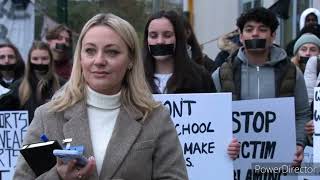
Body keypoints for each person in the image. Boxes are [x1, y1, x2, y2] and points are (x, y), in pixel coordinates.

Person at [13, 13, 188, 180]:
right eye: (90, 51)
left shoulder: (156, 117)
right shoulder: (47, 116)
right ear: (80, 58)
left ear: (131, 60)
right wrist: (58, 177)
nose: (99, 60)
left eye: (112, 52)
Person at [212, 7, 310, 166]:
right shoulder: (222, 74)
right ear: (241, 36)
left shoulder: (291, 72)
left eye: (262, 29)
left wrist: (299, 143)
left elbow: (302, 114)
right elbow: (212, 118)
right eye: (249, 29)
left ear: (272, 36)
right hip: (235, 165)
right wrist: (221, 144)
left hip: (278, 166)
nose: (255, 34)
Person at [143, 10, 239, 159]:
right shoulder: (134, 79)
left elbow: (214, 126)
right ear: (146, 39)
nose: (160, 41)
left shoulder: (200, 77)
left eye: (167, 35)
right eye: (153, 36)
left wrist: (227, 146)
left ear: (179, 38)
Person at [0, 41, 66, 122]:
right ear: (29, 61)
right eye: (35, 59)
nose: (40, 62)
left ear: (51, 60)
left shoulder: (64, 86)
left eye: (44, 58)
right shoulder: (17, 86)